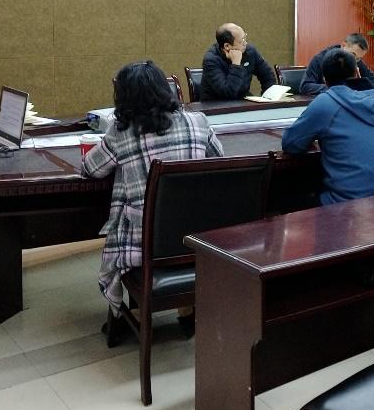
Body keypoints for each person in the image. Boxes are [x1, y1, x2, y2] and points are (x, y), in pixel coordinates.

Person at [82, 60, 223, 343]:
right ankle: (186, 309)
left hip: (146, 246)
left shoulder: (121, 132)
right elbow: (218, 159)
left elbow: (90, 168)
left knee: (127, 218)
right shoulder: (197, 121)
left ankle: (129, 314)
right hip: (196, 239)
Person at [282, 48, 374, 204]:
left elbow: (290, 143)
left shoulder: (326, 102)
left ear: (324, 80)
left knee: (288, 196)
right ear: (357, 73)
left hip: (343, 207)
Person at [200, 23, 276, 101]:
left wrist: (267, 99)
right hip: (216, 104)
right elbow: (228, 92)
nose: (245, 43)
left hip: (243, 100)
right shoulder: (211, 60)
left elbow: (268, 76)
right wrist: (236, 64)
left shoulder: (249, 51)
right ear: (227, 46)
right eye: (242, 40)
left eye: (245, 37)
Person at [299, 33, 374, 95]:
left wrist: (361, 84)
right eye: (353, 55)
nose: (354, 61)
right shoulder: (320, 59)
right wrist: (338, 88)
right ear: (343, 45)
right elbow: (305, 86)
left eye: (358, 59)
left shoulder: (356, 61)